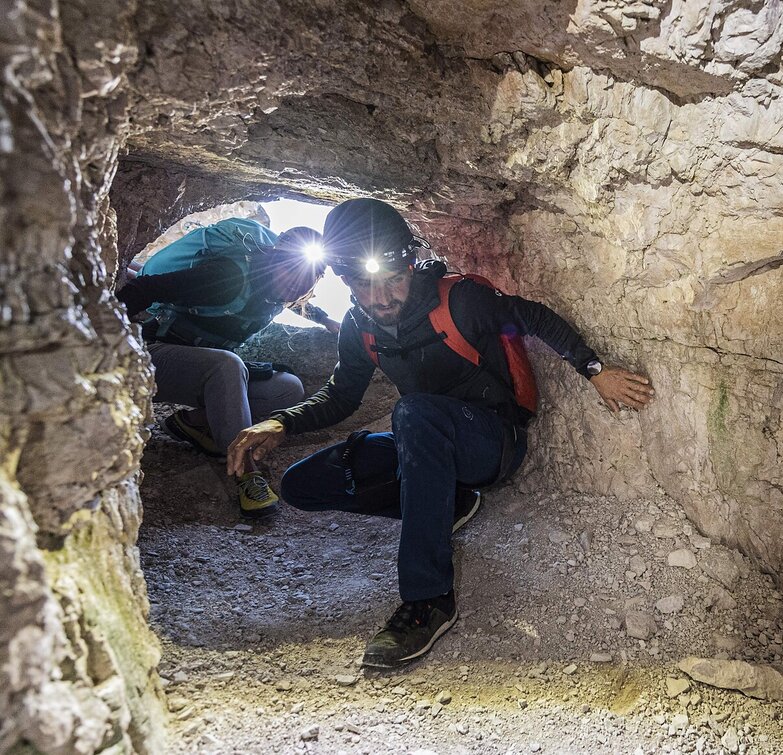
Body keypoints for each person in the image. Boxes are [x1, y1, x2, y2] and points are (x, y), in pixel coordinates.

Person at [226, 198, 655, 668]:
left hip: (491, 442)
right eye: (366, 285)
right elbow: (342, 395)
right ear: (346, 281)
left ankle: (428, 601)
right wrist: (280, 421)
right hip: (426, 439)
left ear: (411, 265)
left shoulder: (460, 301)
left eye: (394, 279)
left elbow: (532, 316)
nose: (383, 296)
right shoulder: (359, 327)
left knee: (412, 413)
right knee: (302, 484)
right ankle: (453, 504)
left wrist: (594, 369)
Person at [117, 217, 335, 518]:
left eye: (311, 276)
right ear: (274, 258)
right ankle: (247, 474)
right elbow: (146, 287)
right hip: (151, 356)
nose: (300, 281)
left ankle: (192, 424)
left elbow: (298, 300)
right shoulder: (228, 278)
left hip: (197, 368)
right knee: (228, 364)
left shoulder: (276, 293)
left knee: (287, 390)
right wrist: (102, 344)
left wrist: (327, 321)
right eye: (292, 268)